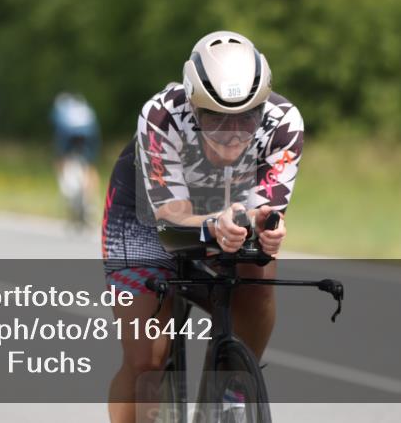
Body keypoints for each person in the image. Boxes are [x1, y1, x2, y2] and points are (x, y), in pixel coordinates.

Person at [101, 30, 303, 423]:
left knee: (258, 273)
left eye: (248, 116)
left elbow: (264, 211)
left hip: (228, 212)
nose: (233, 132)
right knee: (146, 361)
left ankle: (230, 387)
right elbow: (171, 219)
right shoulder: (161, 114)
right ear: (193, 106)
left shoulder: (284, 122)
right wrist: (213, 225)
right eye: (216, 117)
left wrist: (267, 225)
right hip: (148, 218)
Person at [51, 92, 101, 226]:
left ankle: (69, 197)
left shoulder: (60, 108)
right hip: (89, 134)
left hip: (68, 135)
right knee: (90, 166)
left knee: (62, 160)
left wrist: (60, 160)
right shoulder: (84, 107)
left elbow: (59, 134)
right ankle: (90, 203)